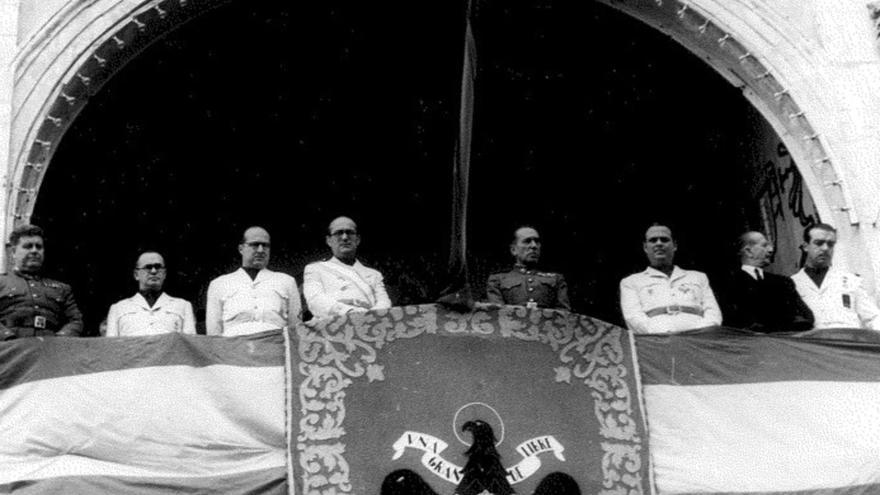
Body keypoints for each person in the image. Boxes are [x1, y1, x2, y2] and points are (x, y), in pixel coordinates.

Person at [619, 224, 722, 334]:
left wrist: (702, 331)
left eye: (664, 239)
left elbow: (713, 312)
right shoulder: (631, 282)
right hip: (658, 340)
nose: (659, 243)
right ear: (645, 247)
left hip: (699, 338)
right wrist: (662, 334)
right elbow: (633, 317)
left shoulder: (698, 277)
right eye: (653, 240)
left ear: (674, 245)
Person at [206, 226, 301, 336]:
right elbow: (213, 334)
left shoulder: (286, 281)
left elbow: (296, 328)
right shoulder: (219, 284)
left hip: (274, 348)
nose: (261, 250)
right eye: (255, 245)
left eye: (265, 246)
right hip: (234, 349)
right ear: (241, 248)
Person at [0, 224, 83, 340]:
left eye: (39, 247)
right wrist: (8, 338)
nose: (34, 251)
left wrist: (59, 340)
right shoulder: (2, 282)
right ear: (13, 252)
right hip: (10, 349)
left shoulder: (62, 288)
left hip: (49, 349)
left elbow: (75, 320)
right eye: (28, 246)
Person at [791, 223, 880, 330]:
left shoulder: (851, 280)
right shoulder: (792, 284)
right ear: (806, 247)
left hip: (847, 342)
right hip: (812, 344)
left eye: (830, 244)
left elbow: (872, 317)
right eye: (819, 243)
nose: (825, 248)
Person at [720, 231, 813, 332]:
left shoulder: (783, 282)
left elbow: (805, 316)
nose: (771, 250)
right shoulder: (727, 284)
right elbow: (732, 322)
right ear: (748, 251)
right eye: (764, 245)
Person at [303, 216, 391, 319]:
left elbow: (384, 303)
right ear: (329, 241)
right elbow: (316, 301)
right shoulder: (315, 269)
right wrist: (349, 312)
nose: (344, 237)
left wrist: (369, 317)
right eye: (338, 233)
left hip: (370, 325)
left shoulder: (374, 275)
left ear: (357, 239)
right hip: (332, 327)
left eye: (349, 232)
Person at [105, 251, 196, 336]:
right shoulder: (118, 308)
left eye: (158, 267)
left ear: (164, 274)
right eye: (148, 267)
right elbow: (112, 347)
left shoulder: (183, 306)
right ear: (136, 274)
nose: (153, 271)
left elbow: (189, 344)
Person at [486, 226, 570, 310]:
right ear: (513, 250)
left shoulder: (556, 279)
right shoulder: (498, 280)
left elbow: (563, 315)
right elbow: (498, 315)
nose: (534, 246)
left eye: (537, 242)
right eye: (527, 241)